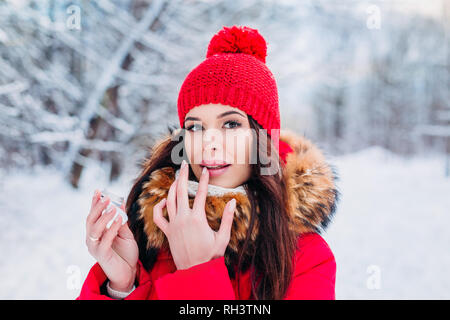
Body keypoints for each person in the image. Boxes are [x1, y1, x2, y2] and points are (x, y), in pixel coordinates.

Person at [77, 25, 340, 300]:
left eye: (230, 123)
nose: (209, 142)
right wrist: (122, 287)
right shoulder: (154, 236)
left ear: (262, 140)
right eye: (194, 127)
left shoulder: (307, 259)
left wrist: (197, 274)